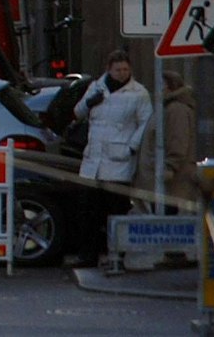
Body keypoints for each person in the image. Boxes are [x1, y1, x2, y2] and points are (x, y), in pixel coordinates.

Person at [76, 48, 153, 261]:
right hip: (93, 159)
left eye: (125, 69)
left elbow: (146, 122)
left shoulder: (138, 93)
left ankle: (117, 254)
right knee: (89, 210)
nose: (122, 73)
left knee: (116, 208)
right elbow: (78, 111)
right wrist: (90, 102)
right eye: (118, 69)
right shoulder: (97, 87)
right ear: (109, 69)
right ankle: (89, 254)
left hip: (119, 159)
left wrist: (132, 147)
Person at [134, 69, 197, 215]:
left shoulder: (176, 109)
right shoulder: (166, 107)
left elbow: (178, 140)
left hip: (171, 185)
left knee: (168, 222)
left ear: (168, 87)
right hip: (162, 182)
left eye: (160, 86)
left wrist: (170, 167)